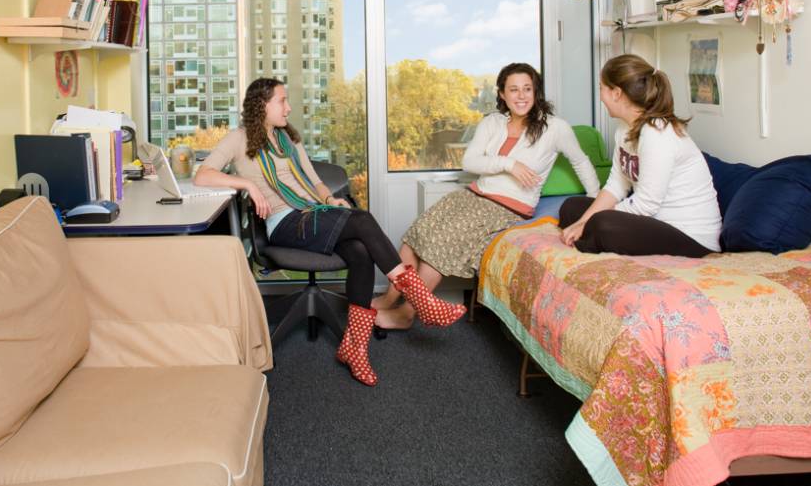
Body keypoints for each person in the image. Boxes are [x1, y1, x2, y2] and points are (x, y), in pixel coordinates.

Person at [195, 77, 465, 387]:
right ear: (262, 105)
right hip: (285, 223)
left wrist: (329, 200)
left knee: (361, 253)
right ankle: (423, 301)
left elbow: (314, 182)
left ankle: (355, 349)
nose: (289, 107)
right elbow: (203, 176)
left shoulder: (289, 139)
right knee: (361, 220)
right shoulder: (238, 139)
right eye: (282, 101)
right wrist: (246, 184)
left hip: (315, 214)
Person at [373, 63, 601, 330]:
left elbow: (581, 162)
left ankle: (407, 313)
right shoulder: (492, 122)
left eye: (527, 89)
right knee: (415, 236)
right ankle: (391, 298)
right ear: (502, 94)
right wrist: (509, 164)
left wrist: (596, 202)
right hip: (474, 196)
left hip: (507, 208)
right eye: (513, 90)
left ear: (536, 92)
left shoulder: (555, 128)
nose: (521, 96)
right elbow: (470, 161)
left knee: (439, 244)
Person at [559, 54, 721, 257]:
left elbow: (646, 204)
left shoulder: (657, 134)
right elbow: (616, 185)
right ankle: (590, 234)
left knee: (602, 223)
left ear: (616, 93)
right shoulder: (624, 129)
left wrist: (591, 221)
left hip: (691, 237)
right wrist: (583, 222)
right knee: (571, 207)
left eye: (601, 87)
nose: (600, 95)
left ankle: (591, 238)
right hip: (655, 223)